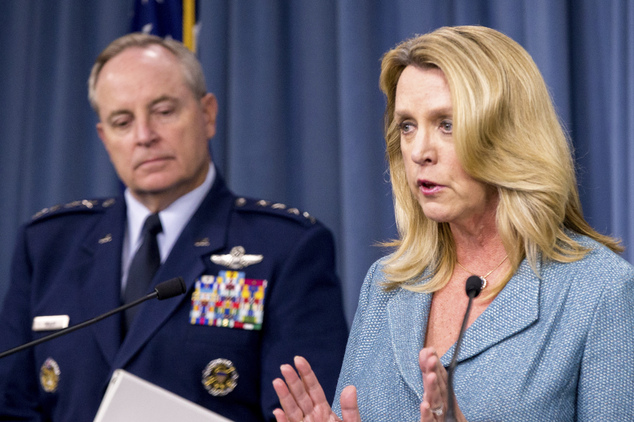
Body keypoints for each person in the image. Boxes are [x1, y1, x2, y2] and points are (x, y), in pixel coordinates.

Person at [271, 25, 634, 422]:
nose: (420, 151)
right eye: (407, 126)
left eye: (446, 124)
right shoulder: (387, 284)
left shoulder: (600, 290)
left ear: (508, 134)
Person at [0, 33, 348, 422]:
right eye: (122, 121)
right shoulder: (47, 246)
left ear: (208, 114)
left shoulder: (287, 247)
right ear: (104, 137)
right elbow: (11, 406)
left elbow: (304, 414)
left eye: (164, 111)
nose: (144, 136)